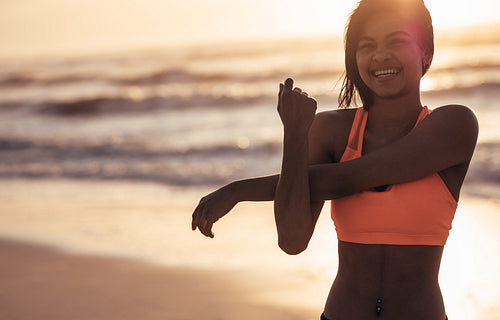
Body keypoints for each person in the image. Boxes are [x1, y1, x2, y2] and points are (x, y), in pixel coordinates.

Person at [191, 0, 478, 318]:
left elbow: (348, 178)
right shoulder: (330, 131)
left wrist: (238, 191)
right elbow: (292, 239)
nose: (380, 55)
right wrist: (296, 135)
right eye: (366, 46)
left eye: (395, 41)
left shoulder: (455, 124)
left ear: (426, 53)